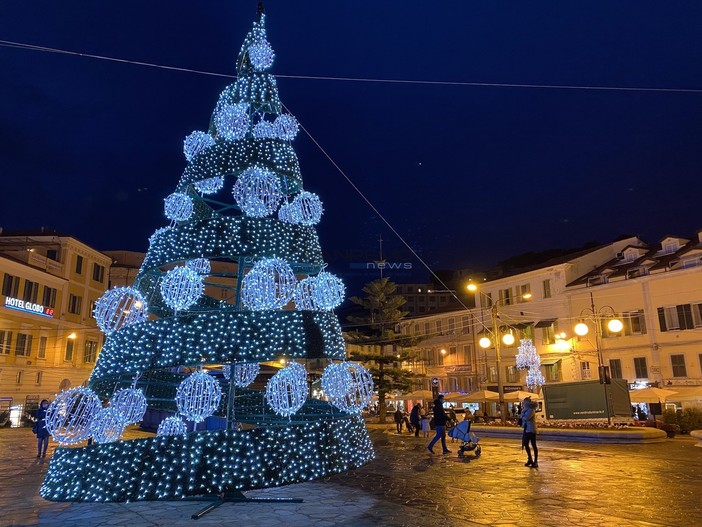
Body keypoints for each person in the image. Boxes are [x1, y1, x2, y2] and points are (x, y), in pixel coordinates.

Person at [520, 396, 539, 468]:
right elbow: (523, 417)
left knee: (534, 445)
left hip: (531, 429)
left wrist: (522, 414)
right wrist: (522, 414)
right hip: (526, 429)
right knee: (525, 444)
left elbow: (526, 418)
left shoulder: (531, 410)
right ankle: (530, 458)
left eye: (524, 402)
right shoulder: (525, 410)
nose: (523, 404)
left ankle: (535, 461)